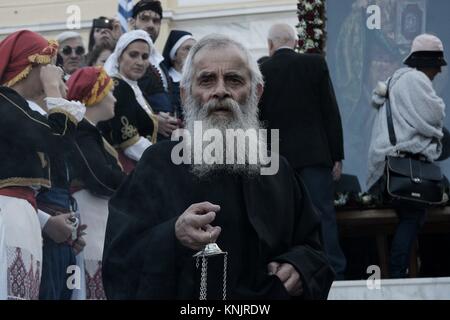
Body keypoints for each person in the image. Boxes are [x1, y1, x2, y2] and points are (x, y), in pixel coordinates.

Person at [102, 34, 335, 300]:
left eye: (234, 80)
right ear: (185, 94)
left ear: (256, 93)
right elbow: (118, 261)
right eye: (207, 80)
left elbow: (315, 251)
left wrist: (299, 267)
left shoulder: (277, 170)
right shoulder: (158, 165)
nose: (221, 90)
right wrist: (173, 235)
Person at [0, 30, 86, 300]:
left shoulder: (16, 106)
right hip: (8, 211)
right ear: (32, 64)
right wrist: (52, 89)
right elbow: (57, 141)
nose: (55, 70)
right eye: (49, 64)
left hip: (24, 211)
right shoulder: (4, 102)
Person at [258, 23, 347, 279]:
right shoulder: (315, 64)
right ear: (296, 43)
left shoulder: (261, 70)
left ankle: (287, 273)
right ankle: (333, 271)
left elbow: (257, 119)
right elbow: (330, 112)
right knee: (322, 214)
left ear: (270, 45)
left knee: (281, 217)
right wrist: (336, 155)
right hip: (315, 156)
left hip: (275, 158)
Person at [368, 33, 447, 278]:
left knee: (413, 217)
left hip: (392, 167)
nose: (439, 73)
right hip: (407, 166)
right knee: (412, 218)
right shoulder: (415, 80)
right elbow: (434, 114)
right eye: (438, 66)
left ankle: (409, 271)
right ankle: (398, 275)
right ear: (429, 64)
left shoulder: (397, 80)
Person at [67, 66, 126, 299]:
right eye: (109, 91)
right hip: (90, 215)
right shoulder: (82, 132)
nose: (114, 98)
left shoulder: (90, 132)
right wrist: (135, 183)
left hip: (99, 216)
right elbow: (99, 177)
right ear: (95, 95)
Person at [100, 30, 160, 172]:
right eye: (133, 55)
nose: (140, 62)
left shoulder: (133, 88)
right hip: (125, 169)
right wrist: (161, 159)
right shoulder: (118, 87)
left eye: (145, 57)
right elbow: (129, 143)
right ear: (120, 57)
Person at [130, 0, 180, 137]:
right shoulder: (124, 58)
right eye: (144, 19)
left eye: (156, 20)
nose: (151, 25)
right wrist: (153, 120)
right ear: (132, 22)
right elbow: (120, 100)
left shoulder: (161, 62)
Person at [162, 30, 196, 119]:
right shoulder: (164, 81)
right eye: (187, 48)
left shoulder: (201, 79)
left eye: (195, 49)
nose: (193, 53)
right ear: (174, 55)